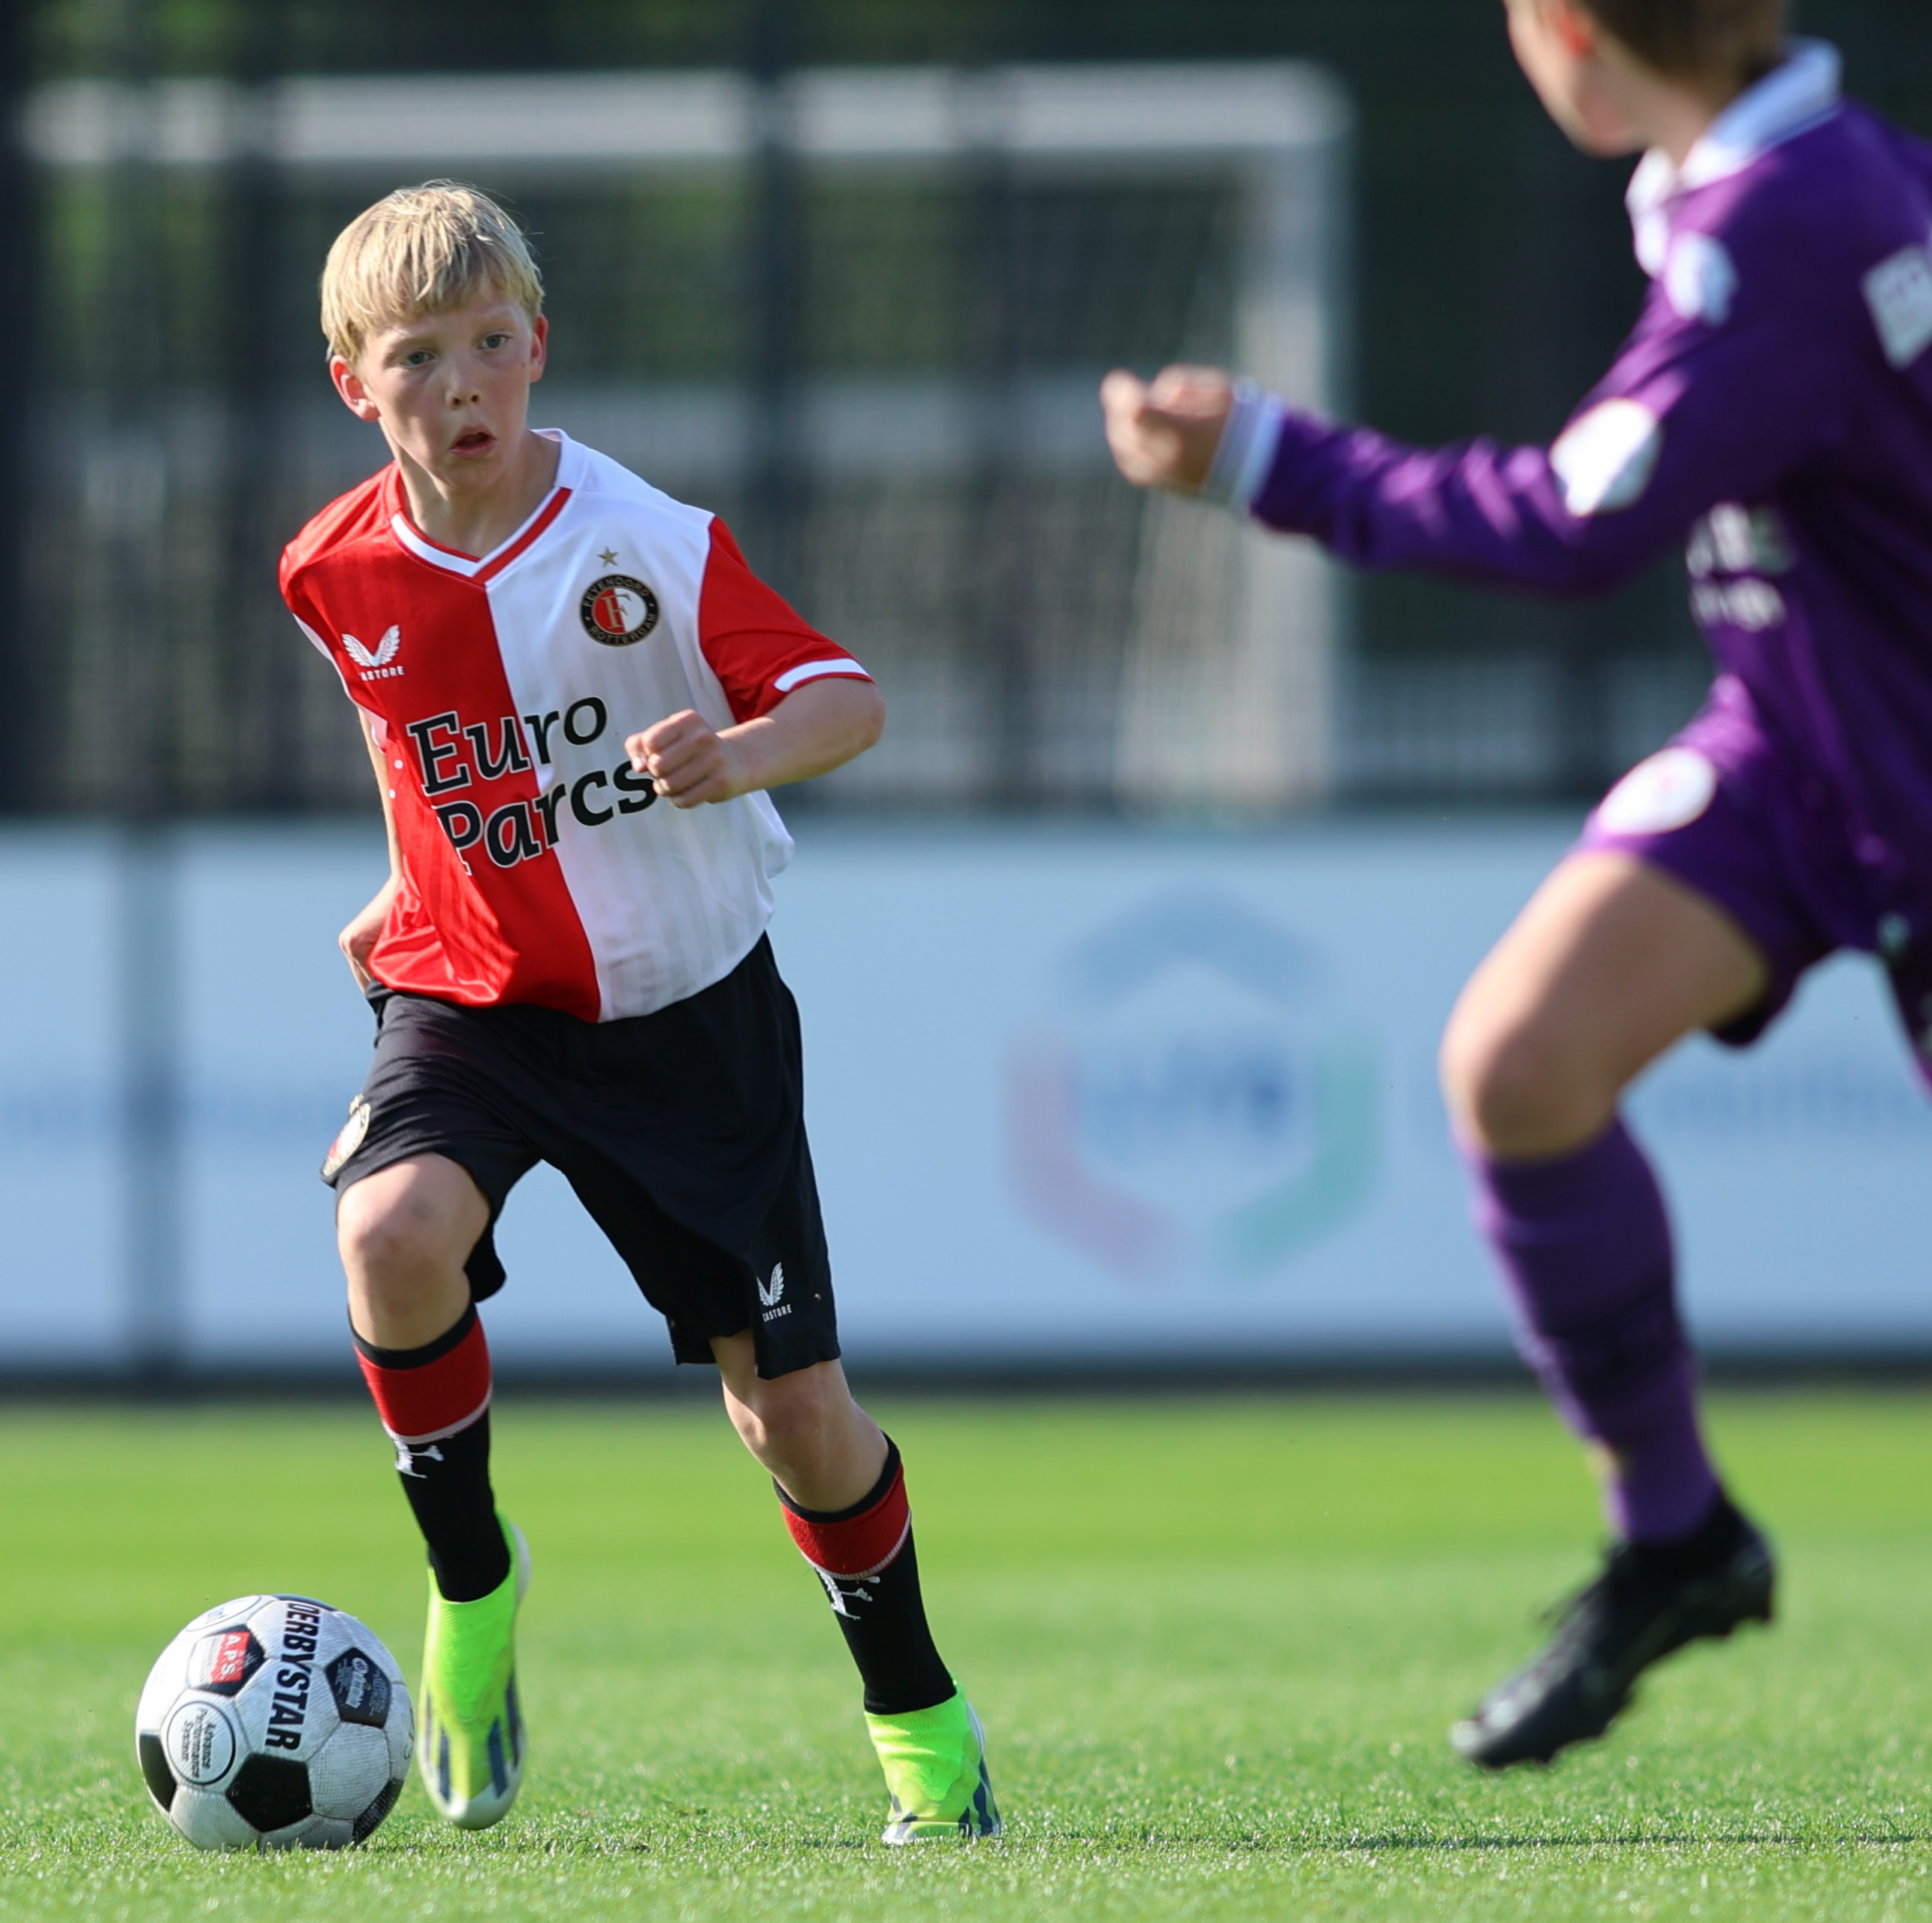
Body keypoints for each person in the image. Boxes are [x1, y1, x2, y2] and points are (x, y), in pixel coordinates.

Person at [1103, 1, 1932, 1767]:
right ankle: (1677, 1537)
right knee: (1521, 1060)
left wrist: (1272, 458)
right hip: (1804, 740)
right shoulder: (1777, 179)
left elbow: (1572, 520)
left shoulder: (1782, 224)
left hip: (1906, 758)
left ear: (1567, 36)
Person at [280, 182, 1001, 1843]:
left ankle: (924, 1726)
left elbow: (850, 698)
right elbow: (433, 755)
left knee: (796, 1419)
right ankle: (474, 1583)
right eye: (418, 356)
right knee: (388, 1233)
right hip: (474, 1004)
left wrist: (738, 750)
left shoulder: (643, 540)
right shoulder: (329, 572)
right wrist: (406, 892)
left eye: (487, 344)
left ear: (538, 347)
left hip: (688, 1023)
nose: (461, 384)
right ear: (354, 382)